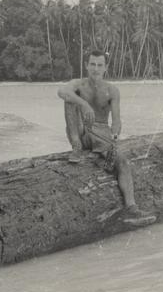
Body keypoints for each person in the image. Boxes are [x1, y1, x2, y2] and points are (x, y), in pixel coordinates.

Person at [57, 50, 156, 226]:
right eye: (92, 64)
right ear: (86, 66)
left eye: (100, 65)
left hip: (101, 132)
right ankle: (76, 148)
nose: (96, 69)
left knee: (123, 163)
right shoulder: (78, 84)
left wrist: (115, 134)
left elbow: (116, 120)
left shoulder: (112, 90)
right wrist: (84, 104)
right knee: (69, 99)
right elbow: (61, 91)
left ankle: (131, 208)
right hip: (80, 132)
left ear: (106, 68)